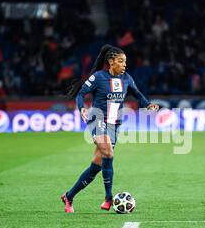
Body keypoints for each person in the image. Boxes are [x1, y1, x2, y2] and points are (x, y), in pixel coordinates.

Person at [60, 44, 159, 213]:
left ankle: (68, 196)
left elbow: (137, 93)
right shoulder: (98, 77)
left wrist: (148, 104)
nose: (124, 64)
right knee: (108, 152)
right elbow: (80, 94)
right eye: (121, 61)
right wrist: (82, 108)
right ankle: (108, 198)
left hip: (114, 123)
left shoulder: (127, 78)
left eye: (125, 62)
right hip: (97, 117)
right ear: (111, 61)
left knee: (96, 166)